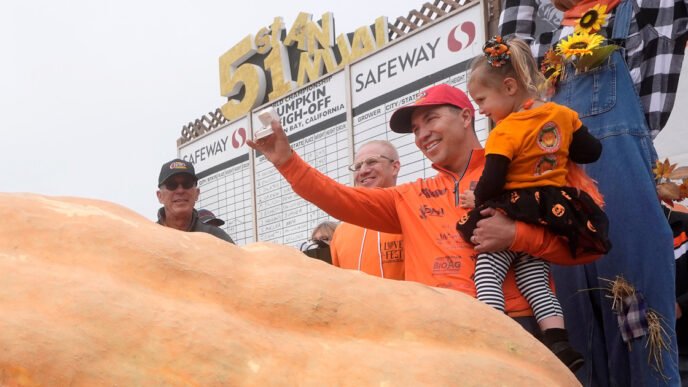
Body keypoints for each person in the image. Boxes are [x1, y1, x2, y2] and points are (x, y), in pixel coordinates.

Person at [247, 83, 603, 338]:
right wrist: (286, 162)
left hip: (514, 329)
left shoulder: (521, 172)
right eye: (416, 129)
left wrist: (517, 236)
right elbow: (339, 198)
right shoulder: (409, 196)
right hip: (432, 337)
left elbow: (589, 246)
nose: (422, 135)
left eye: (431, 119)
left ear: (466, 116)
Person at [500, 0, 687, 384]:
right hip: (560, 196)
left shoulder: (640, 20)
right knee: (579, 330)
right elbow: (509, 42)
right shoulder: (542, 46)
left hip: (623, 189)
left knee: (640, 327)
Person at [455, 36, 610, 371]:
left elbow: (494, 178)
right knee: (535, 279)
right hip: (552, 213)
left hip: (513, 208)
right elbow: (591, 152)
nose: (481, 109)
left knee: (487, 274)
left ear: (509, 86)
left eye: (482, 100)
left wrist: (476, 201)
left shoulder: (505, 130)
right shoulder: (563, 114)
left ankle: (497, 336)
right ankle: (559, 342)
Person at [329, 140, 405, 280]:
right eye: (357, 166)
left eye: (372, 162)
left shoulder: (413, 213)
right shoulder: (341, 231)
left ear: (394, 167)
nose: (363, 171)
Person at [156, 158, 234, 244]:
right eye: (171, 185)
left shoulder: (217, 237)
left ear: (197, 193)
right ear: (160, 196)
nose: (180, 190)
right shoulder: (149, 237)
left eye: (187, 184)